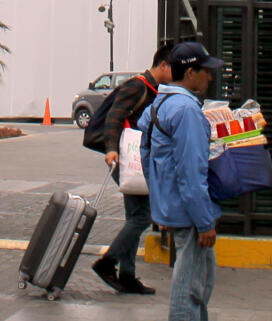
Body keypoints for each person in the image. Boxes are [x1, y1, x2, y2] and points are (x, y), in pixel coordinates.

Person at [82, 41, 178, 296]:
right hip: (126, 158)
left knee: (135, 216)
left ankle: (127, 276)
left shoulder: (154, 89)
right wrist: (112, 148)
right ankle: (107, 263)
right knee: (141, 217)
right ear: (164, 65)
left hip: (136, 159)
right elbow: (115, 116)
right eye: (175, 68)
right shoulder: (137, 86)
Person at [142, 41, 226, 321]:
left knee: (200, 280)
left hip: (173, 207)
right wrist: (204, 221)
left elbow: (146, 158)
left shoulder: (158, 105)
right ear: (191, 73)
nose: (210, 77)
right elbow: (192, 172)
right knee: (190, 285)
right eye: (206, 71)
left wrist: (160, 205)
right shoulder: (187, 111)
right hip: (190, 212)